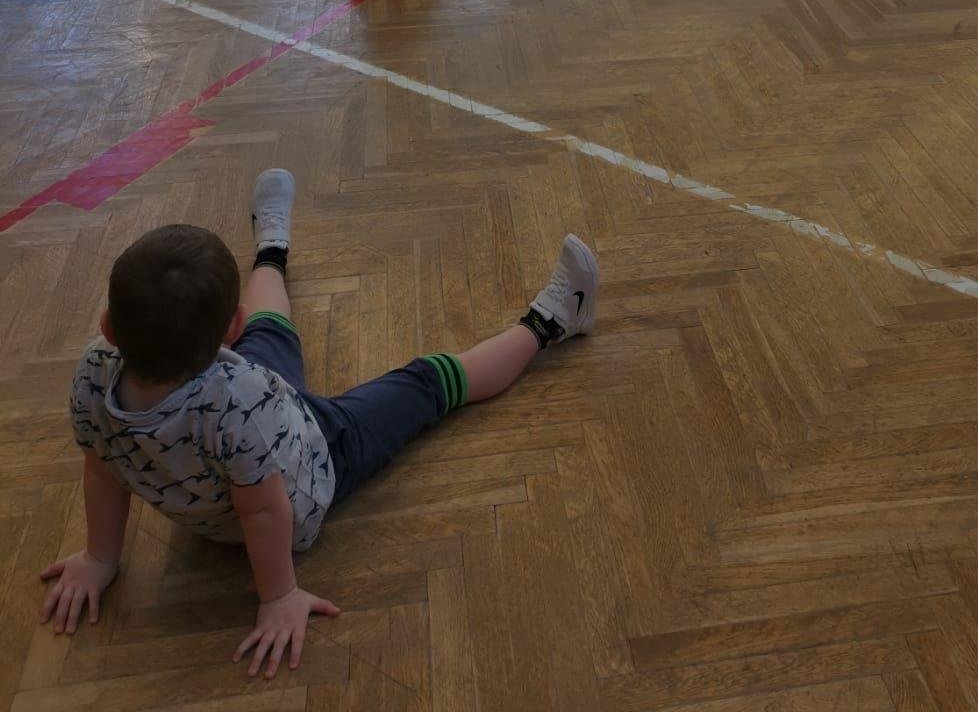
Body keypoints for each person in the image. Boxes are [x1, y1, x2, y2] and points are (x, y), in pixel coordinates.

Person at [40, 166, 598, 679]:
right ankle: (553, 320)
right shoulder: (244, 395)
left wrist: (100, 557)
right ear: (229, 332)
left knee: (272, 331)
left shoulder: (93, 371)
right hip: (318, 456)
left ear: (108, 326)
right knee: (430, 383)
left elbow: (102, 470)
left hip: (237, 448)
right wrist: (279, 595)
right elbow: (263, 510)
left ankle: (272, 248)